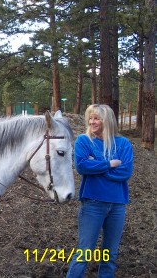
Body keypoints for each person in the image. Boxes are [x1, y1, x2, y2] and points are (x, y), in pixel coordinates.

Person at [66, 104, 134, 278]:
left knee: (110, 254)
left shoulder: (123, 143)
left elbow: (125, 171)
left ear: (107, 120)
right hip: (93, 203)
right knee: (84, 253)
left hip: (118, 204)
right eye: (90, 117)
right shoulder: (84, 141)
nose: (92, 121)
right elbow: (82, 166)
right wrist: (109, 164)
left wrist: (95, 163)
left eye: (96, 118)